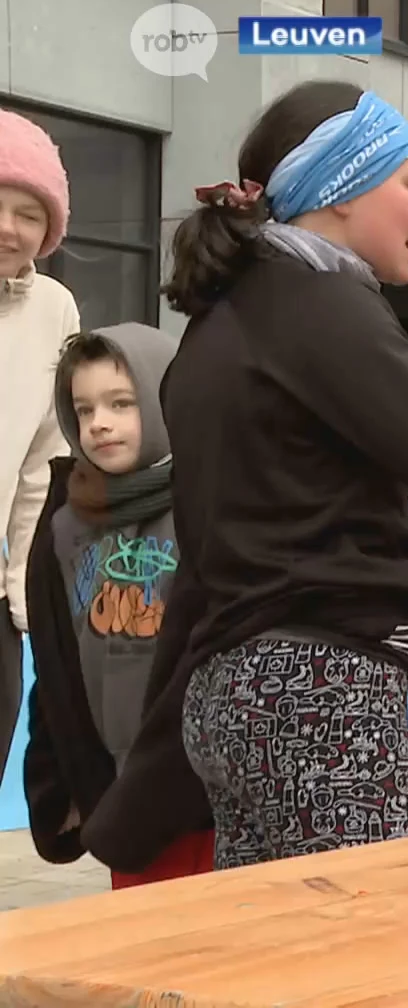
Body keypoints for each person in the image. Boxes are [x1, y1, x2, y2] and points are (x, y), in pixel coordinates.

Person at [82, 81, 408, 873]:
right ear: (340, 190)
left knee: (276, 966)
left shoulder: (222, 323)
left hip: (235, 696)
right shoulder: (323, 303)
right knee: (369, 961)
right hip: (319, 695)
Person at [23, 324, 218, 887]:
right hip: (119, 796)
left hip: (203, 797)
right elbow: (56, 666)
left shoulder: (207, 505)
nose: (99, 423)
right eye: (83, 410)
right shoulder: (66, 525)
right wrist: (63, 784)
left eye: (121, 403)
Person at [0, 110, 80, 785]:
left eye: (29, 213)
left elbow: (41, 469)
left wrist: (25, 600)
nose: (9, 228)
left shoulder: (54, 308)